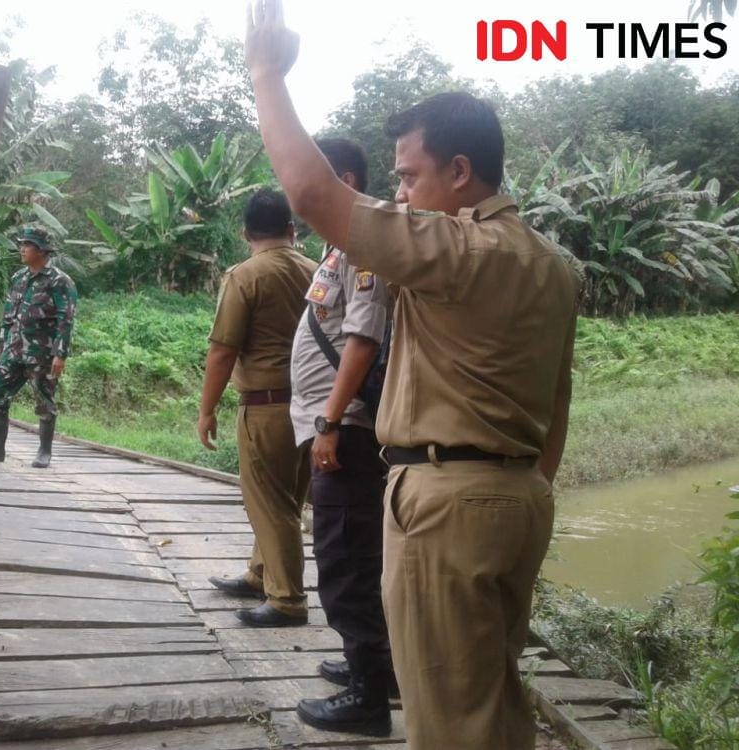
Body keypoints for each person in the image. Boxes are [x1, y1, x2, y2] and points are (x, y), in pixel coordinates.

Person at [244, 3, 584, 748]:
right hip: (520, 495)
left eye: (408, 177)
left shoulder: (458, 249)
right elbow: (558, 398)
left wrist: (265, 73)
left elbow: (312, 195)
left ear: (460, 174)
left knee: (448, 721)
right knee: (490, 699)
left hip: (447, 504)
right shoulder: (554, 266)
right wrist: (518, 485)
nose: (399, 195)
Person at [289, 137, 395, 736]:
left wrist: (329, 420)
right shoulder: (338, 248)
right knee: (356, 555)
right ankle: (379, 670)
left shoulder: (362, 244)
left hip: (348, 429)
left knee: (346, 559)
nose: (296, 197)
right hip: (336, 425)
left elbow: (364, 334)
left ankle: (368, 698)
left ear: (341, 177)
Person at [198, 188, 317, 627]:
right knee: (287, 497)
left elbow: (223, 351)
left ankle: (287, 599)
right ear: (291, 229)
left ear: (245, 232)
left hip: (265, 407)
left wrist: (207, 409)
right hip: (313, 408)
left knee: (271, 503)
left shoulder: (245, 276)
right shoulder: (318, 271)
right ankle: (260, 574)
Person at [0, 226, 78, 469]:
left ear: (42, 251)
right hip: (13, 351)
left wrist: (61, 354)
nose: (22, 249)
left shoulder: (59, 281)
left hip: (42, 354)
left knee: (44, 401)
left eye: (28, 245)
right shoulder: (19, 278)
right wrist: (2, 344)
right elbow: (8, 315)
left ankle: (44, 452)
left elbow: (65, 319)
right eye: (21, 244)